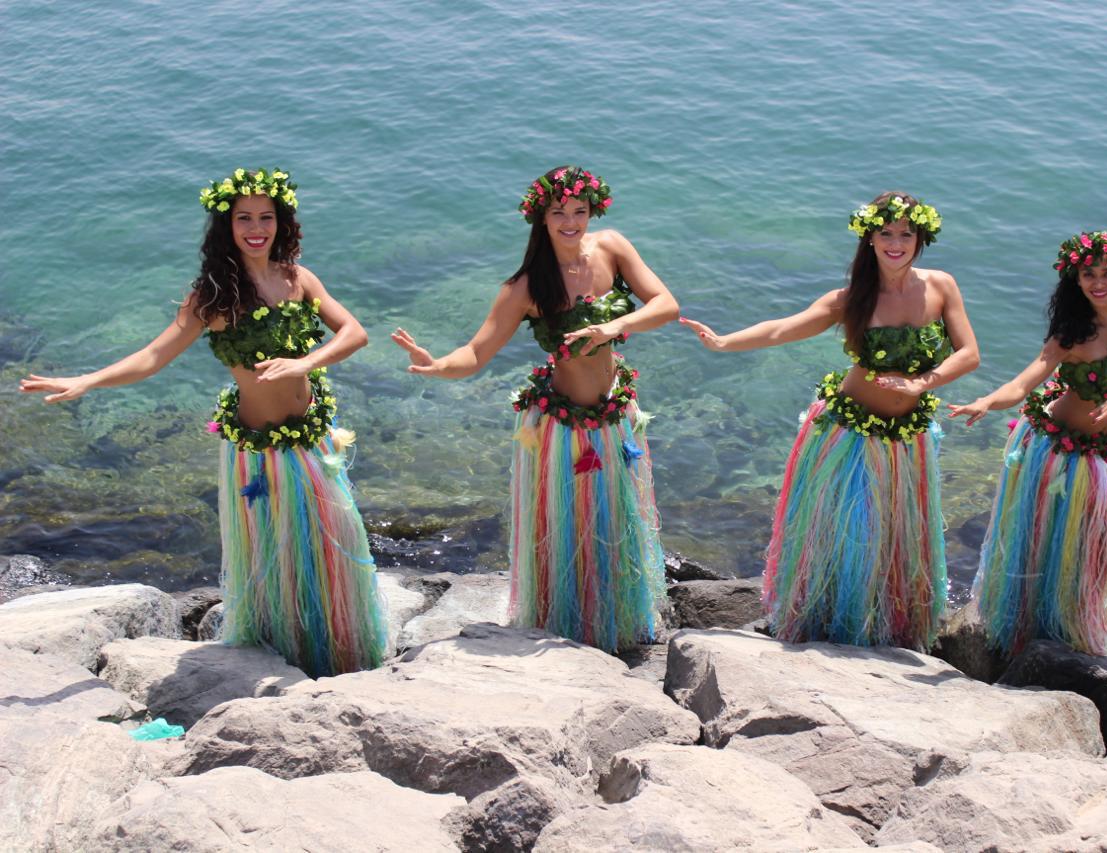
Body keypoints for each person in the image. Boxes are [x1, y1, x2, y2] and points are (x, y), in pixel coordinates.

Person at [19, 168, 385, 678]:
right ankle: (285, 648)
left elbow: (355, 333)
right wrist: (88, 380)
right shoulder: (212, 297)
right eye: (243, 218)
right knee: (275, 559)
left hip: (313, 441)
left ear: (280, 222)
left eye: (265, 217)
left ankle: (342, 654)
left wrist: (305, 362)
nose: (255, 228)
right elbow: (152, 357)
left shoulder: (298, 279)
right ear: (226, 226)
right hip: (258, 457)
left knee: (333, 548)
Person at [392, 166, 679, 653]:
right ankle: (568, 617)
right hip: (563, 430)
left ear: (593, 211)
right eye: (558, 213)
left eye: (579, 211)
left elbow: (666, 304)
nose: (571, 222)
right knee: (567, 530)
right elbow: (476, 352)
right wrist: (437, 365)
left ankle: (616, 618)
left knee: (616, 524)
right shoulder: (526, 287)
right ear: (540, 218)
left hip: (614, 418)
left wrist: (612, 327)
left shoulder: (611, 248)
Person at [681, 192, 978, 648]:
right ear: (869, 239)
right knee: (849, 535)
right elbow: (784, 328)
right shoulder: (852, 299)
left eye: (906, 234)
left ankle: (886, 624)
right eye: (886, 233)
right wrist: (723, 342)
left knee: (894, 538)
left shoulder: (941, 286)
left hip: (904, 442)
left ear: (921, 238)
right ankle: (828, 622)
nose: (896, 243)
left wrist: (923, 382)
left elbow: (969, 353)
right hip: (848, 438)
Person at [949, 231, 1107, 657]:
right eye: (1088, 274)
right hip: (1055, 451)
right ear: (1076, 280)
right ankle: (1031, 629)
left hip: (1101, 453)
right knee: (1045, 542)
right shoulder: (1072, 334)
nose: (1099, 282)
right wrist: (987, 402)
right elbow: (1023, 384)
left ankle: (1075, 618)